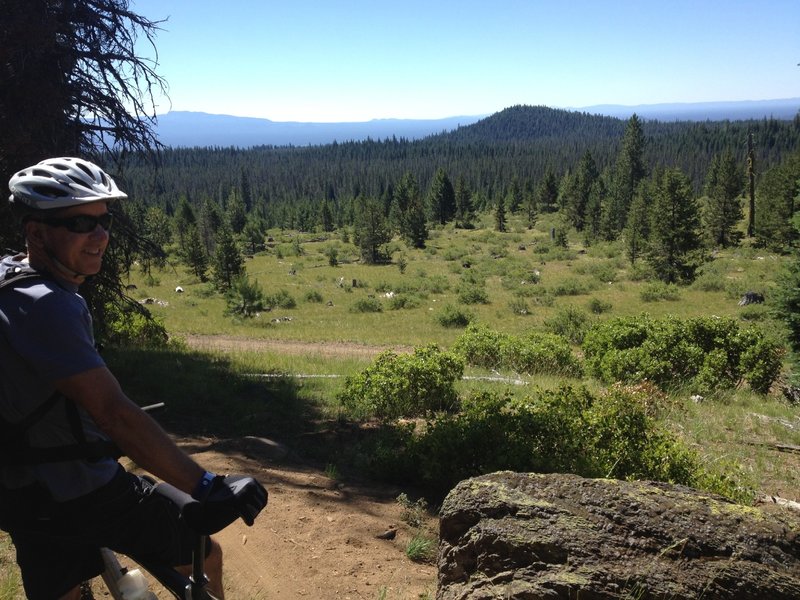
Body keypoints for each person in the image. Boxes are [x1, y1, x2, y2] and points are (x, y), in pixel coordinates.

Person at [0, 157, 267, 600]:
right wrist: (207, 486)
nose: (101, 235)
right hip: (86, 492)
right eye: (81, 222)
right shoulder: (48, 304)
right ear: (36, 232)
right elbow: (114, 414)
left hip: (20, 491)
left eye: (105, 220)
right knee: (207, 554)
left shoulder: (9, 278)